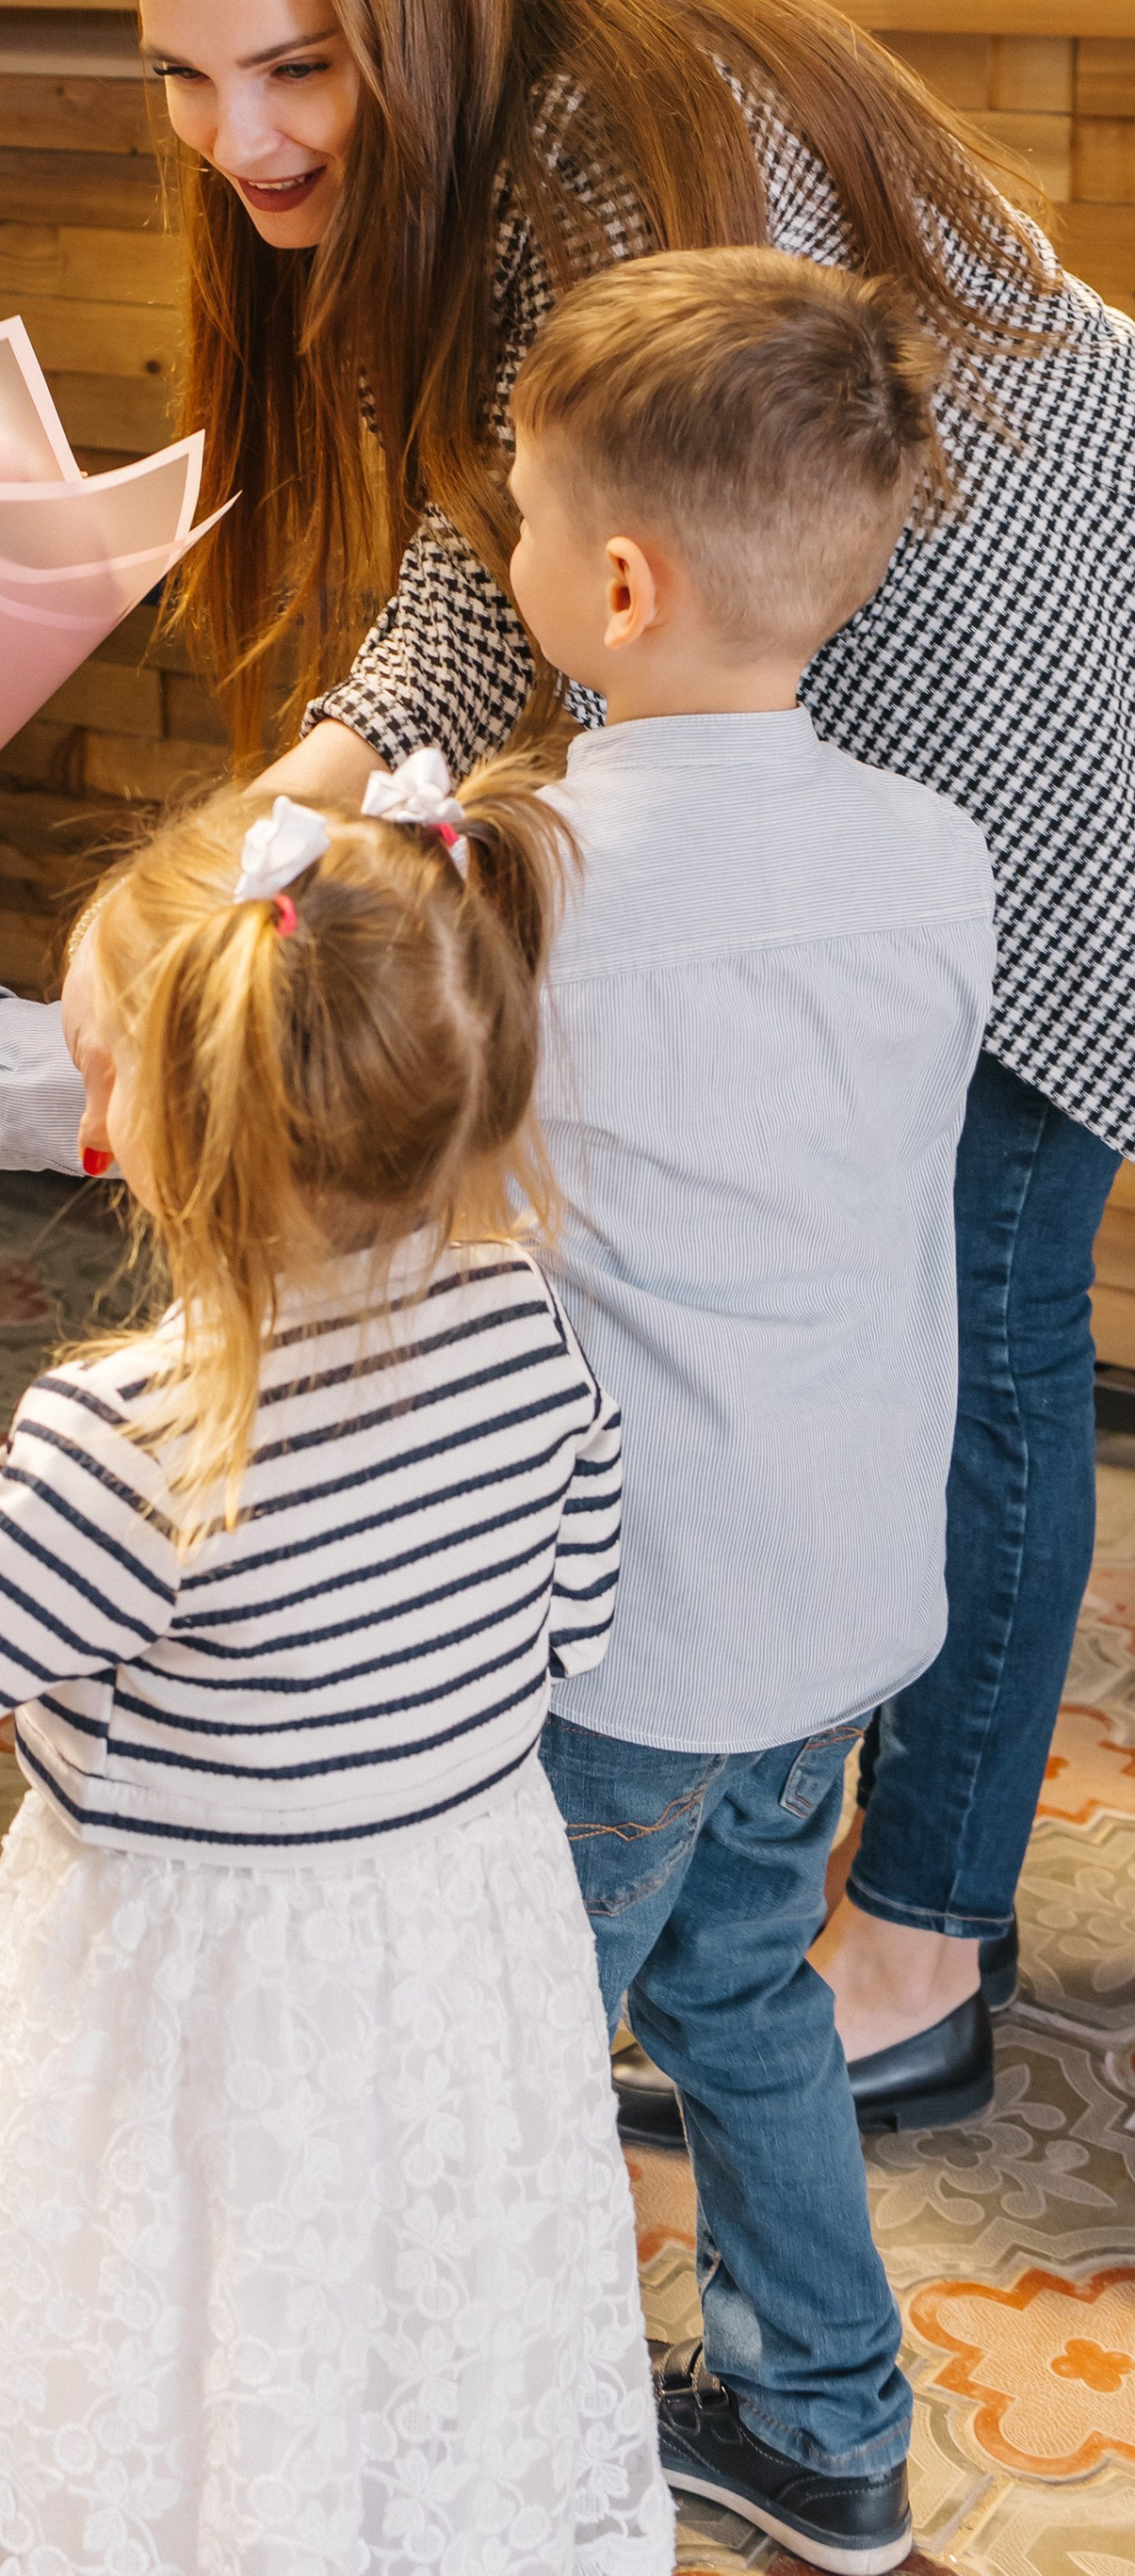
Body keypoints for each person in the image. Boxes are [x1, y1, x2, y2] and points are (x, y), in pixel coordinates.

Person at [0, 0, 1134, 2133]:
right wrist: (290, 789)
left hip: (1028, 677)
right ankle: (787, 1810)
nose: (242, 134)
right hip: (832, 698)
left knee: (987, 1309)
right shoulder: (490, 101)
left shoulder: (589, 140)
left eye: (293, 64)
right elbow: (497, 545)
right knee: (878, 1320)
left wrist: (255, 825)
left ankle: (920, 1932)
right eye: (181, 74)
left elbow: (523, 574)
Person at [0, 773, 669, 2576]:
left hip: (197, 1984)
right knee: (392, 2290)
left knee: (199, 2290)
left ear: (181, 1143)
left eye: (96, 1066)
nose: (79, 1095)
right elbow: (579, 1624)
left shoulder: (144, 1436)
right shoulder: (535, 1320)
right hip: (453, 1941)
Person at [508, 250, 992, 2576]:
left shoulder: (530, 874)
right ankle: (823, 2424)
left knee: (510, 2038)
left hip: (620, 1629)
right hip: (830, 1596)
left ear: (615, 579)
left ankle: (474, 2424)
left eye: (508, 518)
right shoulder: (929, 852)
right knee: (739, 1989)